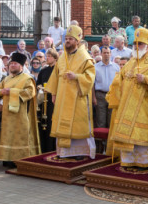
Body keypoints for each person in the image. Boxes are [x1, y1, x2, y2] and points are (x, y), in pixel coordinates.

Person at [109, 27, 148, 169]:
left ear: (147, 45)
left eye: (139, 44)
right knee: (130, 136)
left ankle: (147, 163)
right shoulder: (131, 61)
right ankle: (129, 162)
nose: (136, 47)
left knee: (142, 136)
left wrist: (146, 79)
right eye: (134, 44)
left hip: (145, 107)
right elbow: (121, 77)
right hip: (128, 105)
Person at [44, 25, 97, 159]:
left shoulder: (85, 57)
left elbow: (90, 77)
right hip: (62, 97)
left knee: (77, 126)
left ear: (77, 40)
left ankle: (80, 152)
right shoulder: (62, 57)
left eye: (70, 39)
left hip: (77, 98)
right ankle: (64, 153)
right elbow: (55, 76)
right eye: (66, 38)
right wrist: (54, 94)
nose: (67, 41)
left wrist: (77, 77)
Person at [0, 52, 40, 167]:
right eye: (11, 64)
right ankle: (8, 158)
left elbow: (31, 92)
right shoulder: (7, 78)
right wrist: (1, 92)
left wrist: (12, 92)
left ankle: (20, 159)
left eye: (15, 64)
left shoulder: (27, 78)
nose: (12, 65)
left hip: (21, 113)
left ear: (21, 66)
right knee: (8, 136)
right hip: (7, 114)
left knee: (20, 136)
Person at [36, 48, 58, 153]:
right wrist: (40, 88)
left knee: (51, 123)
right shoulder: (43, 70)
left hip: (54, 101)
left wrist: (49, 89)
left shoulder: (58, 70)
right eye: (47, 56)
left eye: (49, 56)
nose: (47, 58)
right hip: (43, 100)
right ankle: (44, 148)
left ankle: (52, 148)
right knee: (43, 124)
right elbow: (38, 84)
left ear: (54, 57)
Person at [93, 46, 119, 129]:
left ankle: (109, 141)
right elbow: (92, 84)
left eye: (108, 53)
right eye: (104, 53)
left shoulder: (116, 67)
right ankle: (101, 141)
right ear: (101, 54)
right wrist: (94, 97)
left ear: (111, 54)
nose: (106, 54)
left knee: (111, 119)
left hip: (112, 95)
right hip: (100, 96)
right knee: (101, 120)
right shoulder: (95, 67)